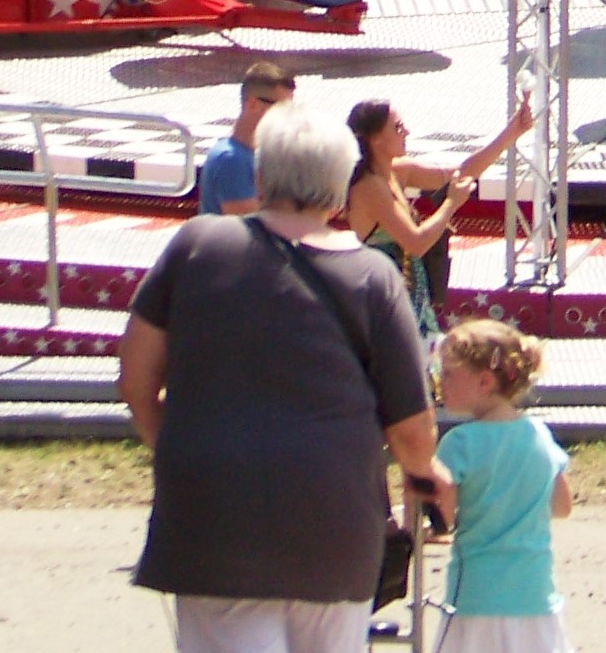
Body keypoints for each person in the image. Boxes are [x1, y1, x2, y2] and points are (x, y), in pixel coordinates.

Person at [119, 102, 452, 653]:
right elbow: (413, 432)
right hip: (335, 523)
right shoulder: (373, 277)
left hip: (213, 519)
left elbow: (135, 381)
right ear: (339, 191)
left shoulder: (196, 246)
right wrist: (426, 473)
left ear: (261, 176)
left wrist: (179, 449)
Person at [344, 97, 533, 349]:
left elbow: (461, 172)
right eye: (398, 127)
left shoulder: (397, 170)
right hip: (384, 303)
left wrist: (511, 133)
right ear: (375, 139)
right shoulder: (368, 187)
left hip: (412, 297)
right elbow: (416, 242)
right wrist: (451, 203)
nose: (407, 132)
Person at [432, 321, 573, 653]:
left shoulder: (459, 443)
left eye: (448, 374)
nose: (440, 382)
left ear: (485, 381)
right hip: (535, 596)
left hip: (476, 597)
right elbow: (562, 506)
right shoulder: (540, 435)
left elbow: (442, 520)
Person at [197, 61, 298, 218]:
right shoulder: (231, 159)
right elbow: (250, 224)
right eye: (282, 107)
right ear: (253, 104)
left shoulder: (257, 153)